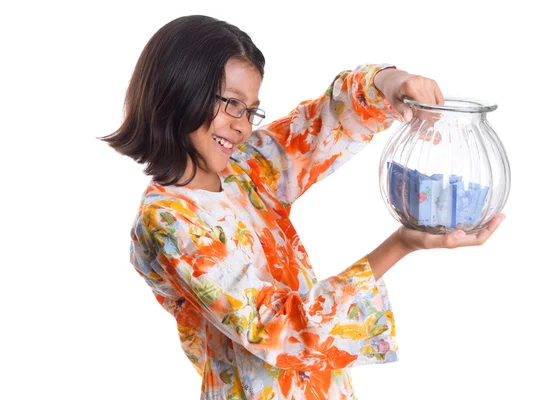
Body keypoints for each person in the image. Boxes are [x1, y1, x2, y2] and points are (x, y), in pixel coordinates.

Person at [101, 15, 505, 400]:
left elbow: (321, 124)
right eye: (231, 104)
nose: (243, 125)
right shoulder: (169, 220)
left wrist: (392, 81)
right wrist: (401, 245)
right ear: (177, 90)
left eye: (251, 109)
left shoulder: (247, 171)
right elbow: (277, 328)